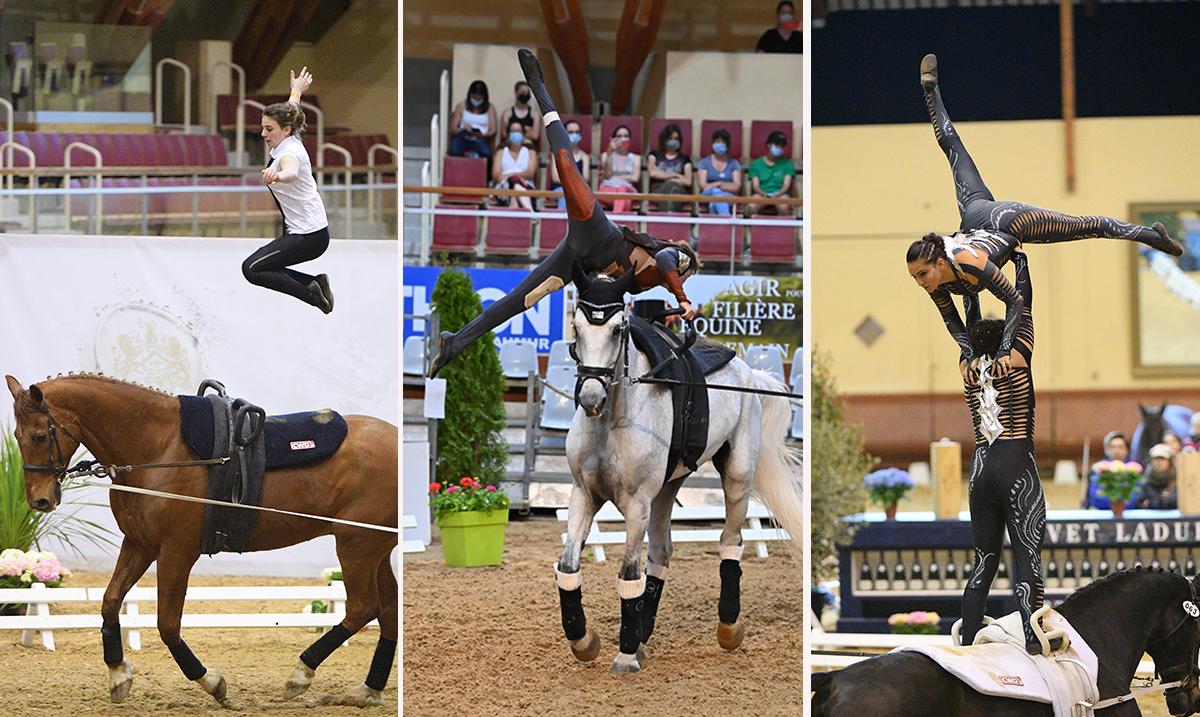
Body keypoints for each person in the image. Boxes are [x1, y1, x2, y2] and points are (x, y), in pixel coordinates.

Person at [429, 49, 702, 378]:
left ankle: (455, 343)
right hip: (597, 232)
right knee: (565, 163)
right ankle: (537, 84)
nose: (683, 278)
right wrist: (683, 297)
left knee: (519, 300)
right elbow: (669, 263)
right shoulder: (672, 258)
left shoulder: (649, 283)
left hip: (580, 261)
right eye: (687, 275)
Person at [909, 54, 1183, 381]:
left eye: (922, 274)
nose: (920, 282)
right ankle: (931, 89)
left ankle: (1152, 237)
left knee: (1086, 226)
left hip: (1006, 221)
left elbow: (1014, 300)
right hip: (974, 215)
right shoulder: (939, 281)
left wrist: (1003, 352)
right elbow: (960, 317)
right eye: (915, 277)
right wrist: (970, 356)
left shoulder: (969, 262)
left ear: (939, 264)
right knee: (953, 149)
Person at [959, 248, 1048, 656]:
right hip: (1015, 461)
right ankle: (1033, 637)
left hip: (980, 466)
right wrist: (1021, 264)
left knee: (984, 561)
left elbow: (969, 320)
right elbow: (1022, 310)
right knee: (1027, 556)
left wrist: (967, 281)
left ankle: (969, 636)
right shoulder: (1015, 361)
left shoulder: (968, 367)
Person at [243, 67, 333, 314]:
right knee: (262, 268)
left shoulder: (289, 153)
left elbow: (291, 171)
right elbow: (290, 112)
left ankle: (312, 294)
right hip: (309, 232)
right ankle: (315, 284)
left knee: (251, 269)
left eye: (268, 129)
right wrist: (295, 93)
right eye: (263, 128)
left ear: (285, 130)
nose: (263, 134)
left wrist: (277, 175)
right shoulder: (290, 138)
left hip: (308, 236)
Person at [492, 118, 539, 210]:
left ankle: (514, 205)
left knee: (516, 183)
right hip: (504, 189)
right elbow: (496, 176)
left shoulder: (530, 151)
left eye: (518, 131)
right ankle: (530, 211)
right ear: (508, 134)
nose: (516, 134)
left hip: (526, 187)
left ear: (523, 134)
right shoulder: (501, 152)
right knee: (515, 183)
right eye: (513, 131)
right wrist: (515, 177)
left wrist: (509, 176)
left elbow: (530, 173)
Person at [746, 130, 795, 217]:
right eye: (777, 145)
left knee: (784, 207)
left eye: (782, 146)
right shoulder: (755, 164)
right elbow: (755, 185)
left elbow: (786, 185)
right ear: (769, 144)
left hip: (780, 194)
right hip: (761, 193)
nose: (779, 148)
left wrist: (778, 194)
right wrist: (762, 193)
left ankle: (783, 230)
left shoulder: (788, 164)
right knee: (752, 206)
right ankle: (753, 229)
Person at [646, 123, 693, 213]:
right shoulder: (654, 155)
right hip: (658, 191)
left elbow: (688, 181)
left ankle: (665, 222)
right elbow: (652, 173)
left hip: (679, 191)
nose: (673, 141)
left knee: (672, 188)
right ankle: (672, 219)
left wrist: (663, 175)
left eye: (676, 139)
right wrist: (675, 175)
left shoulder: (685, 159)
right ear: (665, 139)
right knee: (670, 188)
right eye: (670, 139)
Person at [448, 80, 497, 159]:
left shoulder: (490, 108)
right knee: (455, 151)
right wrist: (462, 129)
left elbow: (493, 130)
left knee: (486, 153)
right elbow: (453, 127)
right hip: (463, 137)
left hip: (480, 138)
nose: (476, 101)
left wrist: (483, 134)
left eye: (479, 99)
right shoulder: (461, 106)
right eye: (474, 98)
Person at [696, 128, 742, 216]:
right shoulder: (704, 162)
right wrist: (723, 186)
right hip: (707, 195)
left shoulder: (734, 163)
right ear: (713, 144)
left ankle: (715, 228)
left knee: (714, 203)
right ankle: (728, 224)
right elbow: (704, 186)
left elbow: (736, 186)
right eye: (717, 141)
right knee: (715, 192)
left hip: (729, 196)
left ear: (727, 145)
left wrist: (718, 184)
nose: (720, 144)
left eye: (723, 142)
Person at [547, 119, 590, 210]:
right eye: (570, 132)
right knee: (566, 193)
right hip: (559, 190)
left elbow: (586, 178)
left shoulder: (584, 156)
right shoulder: (556, 154)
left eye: (577, 132)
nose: (574, 135)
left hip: (578, 190)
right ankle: (563, 221)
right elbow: (556, 178)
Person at [598, 124, 640, 214]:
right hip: (608, 189)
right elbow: (607, 176)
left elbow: (635, 178)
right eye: (619, 136)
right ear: (613, 139)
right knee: (626, 200)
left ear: (630, 139)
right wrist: (610, 152)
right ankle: (622, 224)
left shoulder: (635, 158)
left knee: (622, 188)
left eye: (626, 136)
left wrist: (616, 178)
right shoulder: (606, 155)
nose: (623, 139)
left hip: (628, 189)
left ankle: (615, 221)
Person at [1085, 431, 1133, 510]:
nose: (1116, 451)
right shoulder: (1099, 468)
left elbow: (1133, 500)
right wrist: (1119, 501)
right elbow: (1095, 498)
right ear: (1107, 449)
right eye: (1112, 447)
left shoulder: (1133, 469)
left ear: (1127, 449)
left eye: (1120, 447)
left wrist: (1108, 497)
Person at [498, 80, 542, 149]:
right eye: (523, 92)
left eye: (527, 92)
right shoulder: (507, 113)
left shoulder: (534, 114)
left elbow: (535, 135)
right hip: (510, 144)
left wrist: (514, 131)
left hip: (528, 145)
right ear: (516, 93)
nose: (525, 95)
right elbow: (505, 134)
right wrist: (527, 129)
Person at [1134, 443, 1178, 510]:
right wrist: (1160, 498)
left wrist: (1151, 501)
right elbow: (1139, 503)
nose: (1158, 461)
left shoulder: (1177, 479)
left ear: (1169, 462)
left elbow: (1176, 502)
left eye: (1162, 458)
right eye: (1156, 458)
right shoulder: (1147, 479)